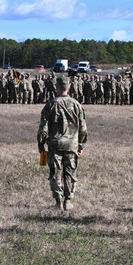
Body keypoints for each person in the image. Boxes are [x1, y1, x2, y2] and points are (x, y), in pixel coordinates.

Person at [37, 75, 87, 211]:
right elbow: (83, 128)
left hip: (55, 144)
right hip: (72, 144)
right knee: (70, 173)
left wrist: (41, 144)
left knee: (56, 173)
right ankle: (68, 201)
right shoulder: (77, 105)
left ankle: (58, 202)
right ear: (69, 88)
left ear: (56, 88)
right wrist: (81, 145)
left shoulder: (51, 104)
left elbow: (43, 127)